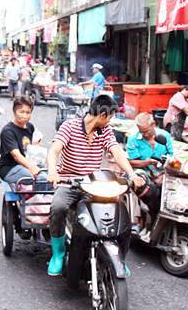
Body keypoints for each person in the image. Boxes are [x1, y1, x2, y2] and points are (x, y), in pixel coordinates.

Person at [45, 95, 143, 276]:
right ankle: (58, 254)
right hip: (69, 181)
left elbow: (117, 152)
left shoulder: (104, 131)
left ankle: (119, 256)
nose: (111, 121)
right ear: (103, 115)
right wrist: (53, 171)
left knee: (120, 210)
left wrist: (132, 174)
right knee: (58, 207)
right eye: (111, 117)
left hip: (93, 183)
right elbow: (54, 150)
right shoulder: (70, 126)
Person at [126, 112, 174, 229]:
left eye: (147, 131)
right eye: (142, 132)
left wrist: (163, 174)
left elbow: (171, 157)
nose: (145, 135)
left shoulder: (164, 136)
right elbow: (131, 161)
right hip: (143, 172)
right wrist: (146, 162)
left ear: (153, 124)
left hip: (162, 172)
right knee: (147, 189)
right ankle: (142, 219)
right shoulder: (133, 139)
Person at [0, 96, 44, 184]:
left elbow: (35, 145)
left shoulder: (30, 127)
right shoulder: (8, 131)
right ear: (14, 112)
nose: (24, 116)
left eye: (28, 112)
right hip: (10, 168)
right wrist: (32, 167)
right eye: (21, 112)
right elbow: (16, 155)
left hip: (25, 165)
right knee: (43, 179)